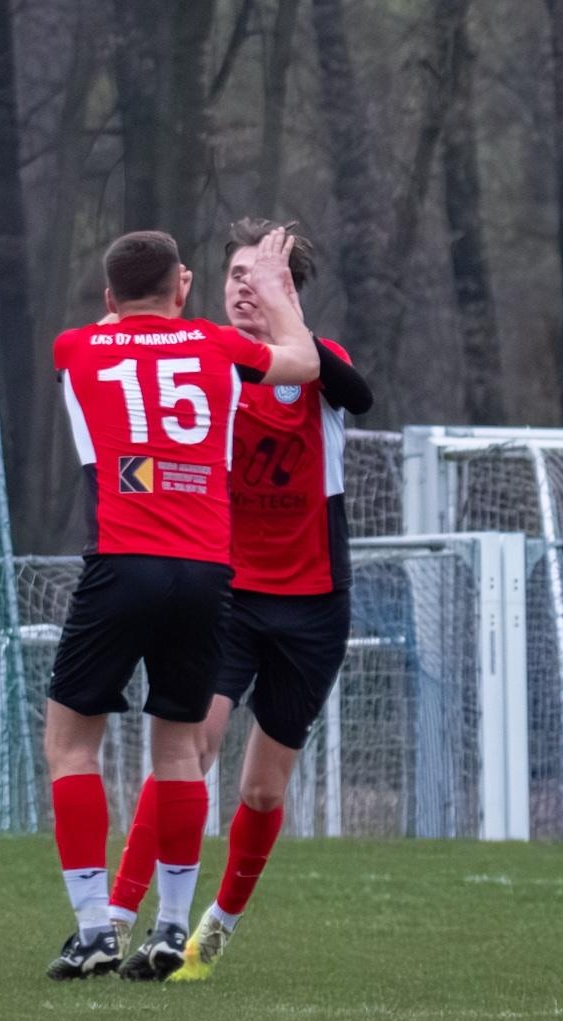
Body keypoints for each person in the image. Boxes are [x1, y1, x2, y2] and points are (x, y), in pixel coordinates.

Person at [44, 227, 317, 982]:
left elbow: (109, 334)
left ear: (107, 298)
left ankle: (96, 928)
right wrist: (276, 294)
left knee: (72, 745)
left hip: (122, 563)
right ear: (185, 288)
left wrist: (121, 316)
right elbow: (304, 361)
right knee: (177, 752)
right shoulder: (215, 346)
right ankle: (169, 928)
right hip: (205, 572)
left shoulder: (75, 347)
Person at [105, 218, 372, 981]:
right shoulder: (206, 363)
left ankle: (217, 925)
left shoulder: (323, 368)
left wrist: (288, 319)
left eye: (262, 275)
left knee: (260, 787)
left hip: (315, 605)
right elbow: (147, 453)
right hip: (228, 594)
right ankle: (116, 920)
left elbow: (362, 394)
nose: (243, 288)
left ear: (290, 289)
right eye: (234, 276)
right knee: (190, 747)